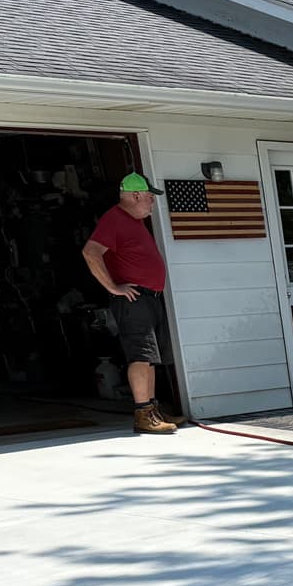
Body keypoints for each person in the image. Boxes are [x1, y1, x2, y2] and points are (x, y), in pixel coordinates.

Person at [82, 172, 182, 434]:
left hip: (149, 298)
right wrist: (113, 288)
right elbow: (90, 252)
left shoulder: (133, 221)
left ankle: (153, 410)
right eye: (150, 197)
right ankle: (143, 415)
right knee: (140, 355)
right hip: (133, 299)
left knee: (149, 357)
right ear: (136, 195)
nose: (152, 202)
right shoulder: (114, 219)